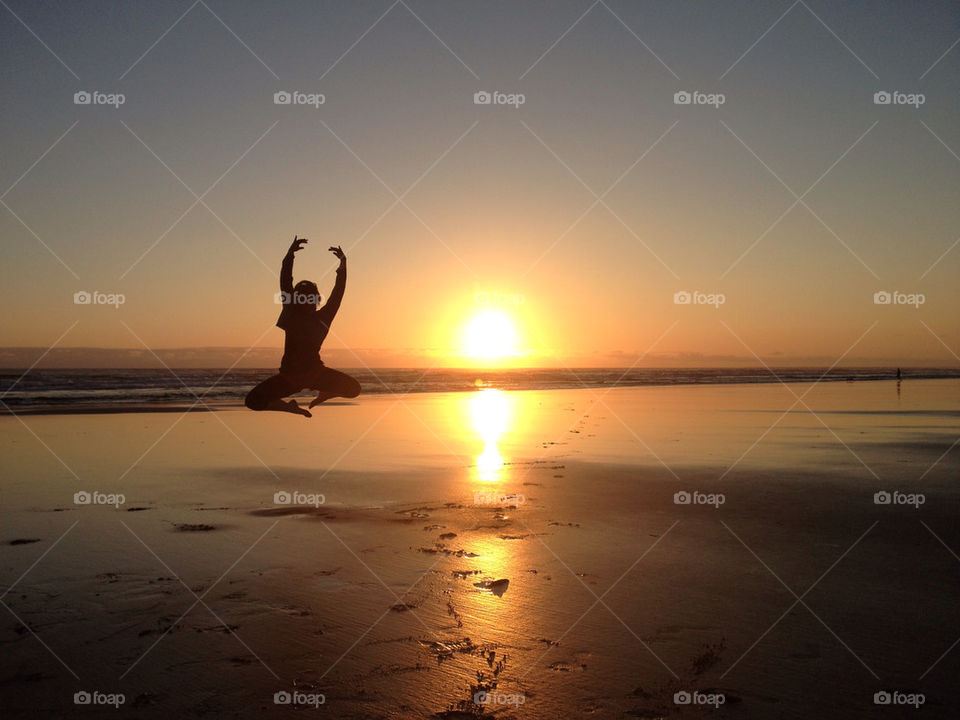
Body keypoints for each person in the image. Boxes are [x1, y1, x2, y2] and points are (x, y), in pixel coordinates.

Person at [245, 236, 361, 417]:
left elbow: (337, 293)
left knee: (354, 389)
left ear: (315, 301)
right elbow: (286, 283)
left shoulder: (315, 315)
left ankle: (327, 392)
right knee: (251, 401)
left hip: (313, 373)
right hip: (291, 377)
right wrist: (289, 256)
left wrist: (290, 256)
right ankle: (288, 406)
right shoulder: (298, 313)